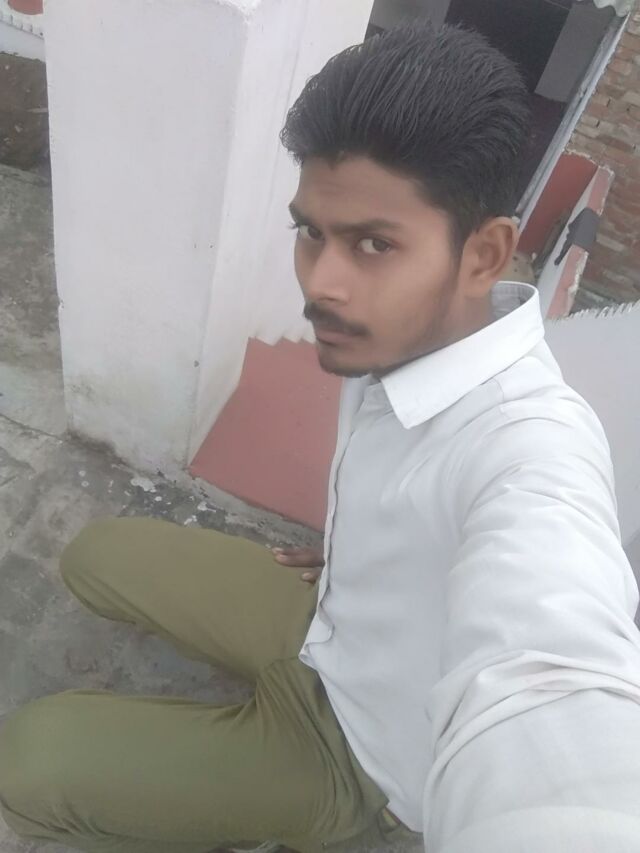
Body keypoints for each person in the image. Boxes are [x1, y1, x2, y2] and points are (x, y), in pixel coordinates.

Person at [2, 21, 640, 853]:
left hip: (362, 758)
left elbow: (556, 687)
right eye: (311, 232)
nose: (321, 284)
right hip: (329, 618)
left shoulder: (535, 449)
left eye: (374, 243)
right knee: (95, 553)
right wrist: (364, 548)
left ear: (484, 253)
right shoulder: (398, 333)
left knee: (26, 762)